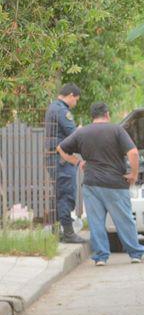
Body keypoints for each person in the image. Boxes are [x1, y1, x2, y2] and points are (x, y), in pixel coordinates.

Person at [56, 102, 144, 266]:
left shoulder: (82, 132)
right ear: (107, 114)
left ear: (92, 116)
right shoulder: (116, 130)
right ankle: (135, 253)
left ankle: (101, 257)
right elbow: (133, 153)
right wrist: (133, 174)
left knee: (96, 221)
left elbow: (61, 148)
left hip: (91, 184)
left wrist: (77, 162)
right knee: (124, 220)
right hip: (115, 184)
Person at [44, 83, 85, 243]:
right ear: (70, 95)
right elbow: (73, 135)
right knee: (66, 194)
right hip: (61, 159)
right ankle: (68, 233)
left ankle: (56, 232)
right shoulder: (62, 110)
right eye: (76, 100)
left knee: (58, 194)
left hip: (54, 157)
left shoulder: (52, 107)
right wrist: (80, 130)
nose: (75, 103)